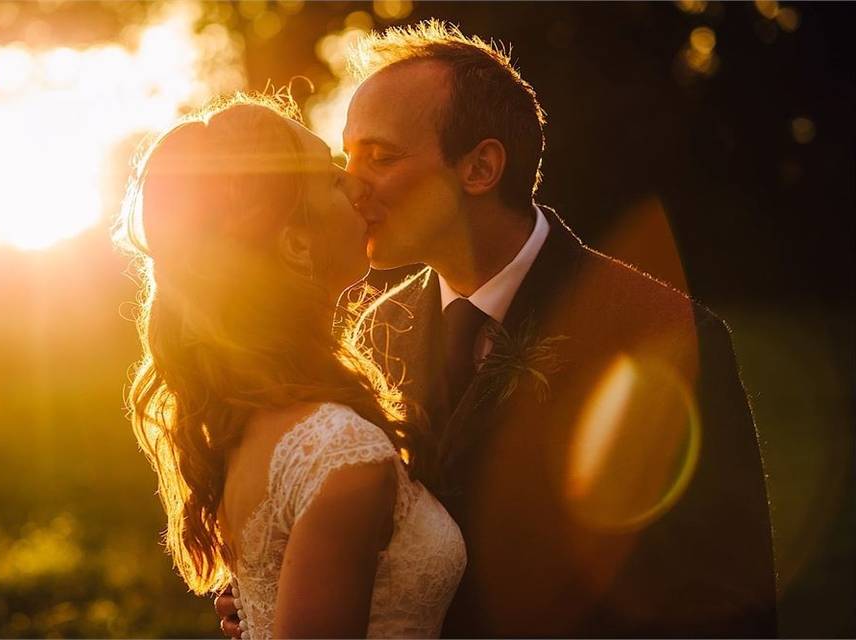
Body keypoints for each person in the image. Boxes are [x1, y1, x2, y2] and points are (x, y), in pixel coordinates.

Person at [216, 20, 778, 638]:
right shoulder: (377, 332)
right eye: (348, 156)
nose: (353, 184)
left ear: (480, 167)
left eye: (381, 156)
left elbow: (727, 602)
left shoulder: (665, 335)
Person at [117, 93, 465, 638]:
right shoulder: (340, 452)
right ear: (296, 244)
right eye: (329, 179)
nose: (354, 184)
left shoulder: (250, 419)